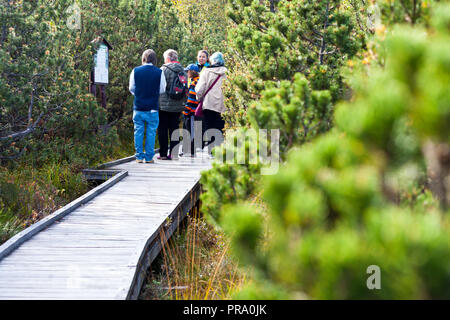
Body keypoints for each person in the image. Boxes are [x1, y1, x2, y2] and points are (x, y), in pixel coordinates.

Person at [129, 49, 166, 163]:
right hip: (152, 107)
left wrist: (139, 94)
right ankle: (149, 157)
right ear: (155, 59)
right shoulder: (159, 72)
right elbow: (162, 89)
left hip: (139, 106)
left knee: (138, 131)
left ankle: (139, 156)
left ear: (143, 58)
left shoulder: (135, 71)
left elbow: (131, 88)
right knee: (151, 132)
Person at [158, 49, 187, 160]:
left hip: (163, 105)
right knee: (174, 129)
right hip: (178, 105)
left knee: (163, 129)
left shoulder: (163, 69)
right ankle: (174, 154)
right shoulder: (183, 71)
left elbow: (160, 87)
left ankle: (163, 154)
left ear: (168, 58)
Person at [195, 52, 227, 150]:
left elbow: (200, 89)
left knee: (209, 125)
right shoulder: (227, 72)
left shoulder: (206, 72)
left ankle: (211, 149)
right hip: (223, 104)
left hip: (209, 103)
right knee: (220, 126)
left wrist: (198, 98)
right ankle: (219, 148)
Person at [182, 64, 201, 157]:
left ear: (192, 72)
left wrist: (185, 112)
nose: (187, 73)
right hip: (196, 111)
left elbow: (191, 100)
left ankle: (190, 152)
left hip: (192, 112)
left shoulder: (194, 83)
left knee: (190, 132)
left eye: (188, 71)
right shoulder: (198, 81)